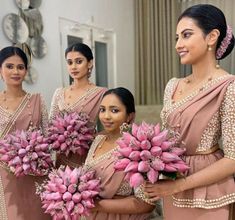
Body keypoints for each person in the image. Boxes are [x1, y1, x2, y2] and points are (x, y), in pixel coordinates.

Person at [144, 4, 235, 220]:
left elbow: (233, 158)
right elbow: (163, 141)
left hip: (209, 192)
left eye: (186, 35)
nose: (178, 44)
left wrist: (177, 185)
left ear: (212, 36)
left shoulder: (229, 87)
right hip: (171, 184)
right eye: (177, 38)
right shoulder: (172, 86)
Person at [84, 87, 155, 219]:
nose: (106, 116)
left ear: (130, 116)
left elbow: (146, 203)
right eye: (102, 110)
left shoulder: (138, 148)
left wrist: (97, 205)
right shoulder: (97, 140)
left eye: (114, 110)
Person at [0, 46, 50, 219]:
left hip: (34, 174)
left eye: (20, 67)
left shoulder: (37, 100)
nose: (15, 71)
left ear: (26, 71)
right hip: (4, 176)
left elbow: (47, 138)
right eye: (9, 66)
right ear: (0, 69)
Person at [49, 42, 107, 168]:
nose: (73, 67)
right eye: (70, 62)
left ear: (90, 63)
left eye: (79, 61)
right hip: (61, 158)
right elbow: (50, 126)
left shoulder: (101, 93)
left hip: (86, 157)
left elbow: (110, 128)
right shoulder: (59, 93)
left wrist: (89, 137)